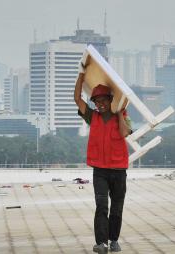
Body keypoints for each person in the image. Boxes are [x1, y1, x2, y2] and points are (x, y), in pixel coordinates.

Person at [74, 65, 132, 254]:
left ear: (110, 100)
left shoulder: (122, 117)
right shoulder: (93, 117)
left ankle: (114, 240)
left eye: (103, 100)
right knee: (101, 206)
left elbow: (125, 133)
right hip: (99, 170)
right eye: (97, 101)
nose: (100, 104)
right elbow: (77, 99)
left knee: (117, 208)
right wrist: (81, 76)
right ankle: (101, 244)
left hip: (118, 170)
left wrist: (120, 113)